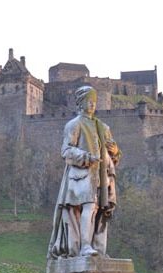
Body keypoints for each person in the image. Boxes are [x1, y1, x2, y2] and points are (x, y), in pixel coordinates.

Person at [48, 85, 121, 258]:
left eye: (94, 101)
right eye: (88, 101)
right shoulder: (74, 124)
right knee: (88, 207)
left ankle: (98, 249)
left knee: (99, 211)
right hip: (81, 176)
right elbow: (66, 151)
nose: (92, 104)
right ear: (80, 103)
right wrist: (87, 157)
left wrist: (115, 151)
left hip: (103, 176)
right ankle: (85, 246)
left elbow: (115, 155)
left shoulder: (103, 127)